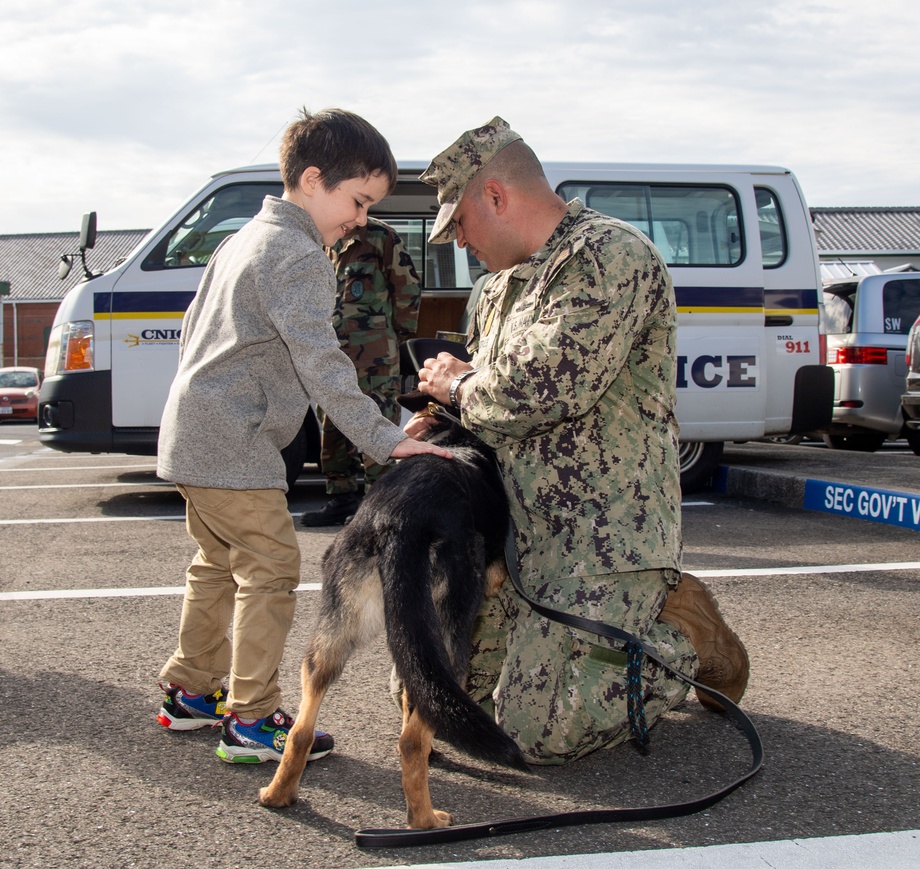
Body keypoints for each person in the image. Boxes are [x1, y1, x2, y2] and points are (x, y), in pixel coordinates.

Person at [408, 117, 749, 763]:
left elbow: (540, 389)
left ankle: (689, 639)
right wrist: (438, 417)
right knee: (458, 705)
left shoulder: (608, 256)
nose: (459, 241)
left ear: (497, 197)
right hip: (521, 532)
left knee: (541, 734)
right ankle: (631, 623)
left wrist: (458, 386)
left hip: (602, 536)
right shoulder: (495, 290)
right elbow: (490, 400)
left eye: (459, 223)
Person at [154, 107, 453, 765]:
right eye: (358, 200)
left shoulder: (244, 238)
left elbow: (192, 330)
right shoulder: (299, 254)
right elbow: (326, 362)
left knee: (215, 564)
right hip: (233, 443)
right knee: (271, 566)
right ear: (313, 179)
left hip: (191, 434)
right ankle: (253, 717)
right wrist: (387, 438)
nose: (362, 218)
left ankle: (190, 689)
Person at [301, 217, 422, 526]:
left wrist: (395, 338)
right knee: (332, 424)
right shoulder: (328, 238)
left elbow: (407, 288)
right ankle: (341, 498)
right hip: (334, 352)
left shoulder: (381, 237)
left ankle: (378, 507)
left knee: (377, 423)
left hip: (374, 355)